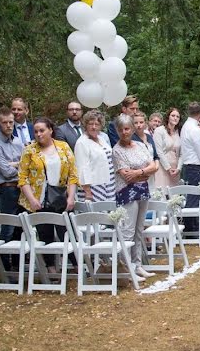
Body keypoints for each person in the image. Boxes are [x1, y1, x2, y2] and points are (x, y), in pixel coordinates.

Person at [17, 117, 78, 272]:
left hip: (60, 195)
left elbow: (73, 174)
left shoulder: (63, 147)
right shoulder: (29, 150)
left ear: (51, 130)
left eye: (42, 130)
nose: (38, 134)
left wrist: (71, 197)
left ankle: (77, 264)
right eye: (36, 131)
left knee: (67, 231)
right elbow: (22, 177)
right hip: (39, 198)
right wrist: (31, 199)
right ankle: (51, 268)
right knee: (45, 233)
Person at [112, 113, 159, 280]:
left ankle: (137, 265)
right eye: (121, 129)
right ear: (117, 131)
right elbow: (126, 176)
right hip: (126, 193)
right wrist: (144, 172)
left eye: (127, 128)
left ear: (132, 129)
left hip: (143, 190)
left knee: (139, 229)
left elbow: (153, 166)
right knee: (128, 231)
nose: (124, 132)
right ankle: (127, 268)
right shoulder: (117, 150)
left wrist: (139, 172)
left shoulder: (140, 145)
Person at [0, 107, 24, 273]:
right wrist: (18, 165)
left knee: (20, 228)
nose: (9, 125)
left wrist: (15, 165)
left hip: (21, 188)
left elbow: (26, 165)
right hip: (7, 189)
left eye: (11, 122)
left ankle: (17, 265)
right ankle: (4, 267)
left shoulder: (17, 142)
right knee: (7, 228)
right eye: (5, 122)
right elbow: (6, 172)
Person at [180, 102, 200, 231]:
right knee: (194, 198)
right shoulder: (194, 129)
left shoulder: (185, 127)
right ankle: (191, 228)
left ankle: (193, 226)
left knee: (194, 197)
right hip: (196, 167)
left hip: (189, 165)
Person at [73, 110, 116, 203]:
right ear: (85, 125)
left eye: (97, 124)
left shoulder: (101, 139)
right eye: (90, 124)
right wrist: (88, 192)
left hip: (108, 184)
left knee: (109, 215)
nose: (94, 127)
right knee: (97, 215)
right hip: (93, 188)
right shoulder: (82, 142)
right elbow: (82, 169)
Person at [152, 107, 182, 189]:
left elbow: (182, 154)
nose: (175, 118)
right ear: (168, 116)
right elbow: (159, 152)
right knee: (163, 193)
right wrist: (168, 168)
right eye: (173, 115)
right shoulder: (159, 131)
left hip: (175, 169)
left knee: (174, 195)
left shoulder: (179, 133)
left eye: (177, 116)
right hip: (163, 167)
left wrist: (179, 168)